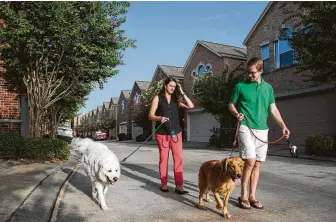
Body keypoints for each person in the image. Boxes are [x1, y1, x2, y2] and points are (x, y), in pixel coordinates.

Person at [228, 57, 290, 209]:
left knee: (256, 164)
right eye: (248, 72)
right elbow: (231, 104)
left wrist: (283, 125)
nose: (249, 76)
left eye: (253, 73)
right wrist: (237, 114)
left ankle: (252, 196)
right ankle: (243, 196)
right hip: (245, 126)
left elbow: (273, 109)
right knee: (249, 160)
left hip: (262, 129)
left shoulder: (268, 88)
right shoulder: (240, 86)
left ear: (261, 71)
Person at [149, 77, 194, 195]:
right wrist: (160, 118)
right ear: (165, 85)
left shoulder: (176, 100)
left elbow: (191, 106)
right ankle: (164, 184)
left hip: (176, 133)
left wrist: (182, 92)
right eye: (171, 86)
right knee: (164, 159)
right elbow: (151, 115)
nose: (173, 88)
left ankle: (179, 186)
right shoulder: (158, 98)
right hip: (162, 134)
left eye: (174, 86)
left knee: (178, 159)